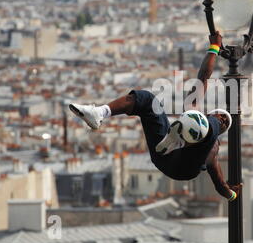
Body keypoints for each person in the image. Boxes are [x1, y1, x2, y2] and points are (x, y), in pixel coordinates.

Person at [69, 32, 242, 201]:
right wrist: (213, 48)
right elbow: (203, 77)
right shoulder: (194, 112)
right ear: (209, 113)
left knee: (208, 135)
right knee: (147, 100)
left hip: (183, 168)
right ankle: (99, 113)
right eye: (221, 116)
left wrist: (232, 194)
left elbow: (219, 184)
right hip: (164, 153)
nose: (222, 118)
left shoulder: (213, 148)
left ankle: (185, 137)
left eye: (224, 121)